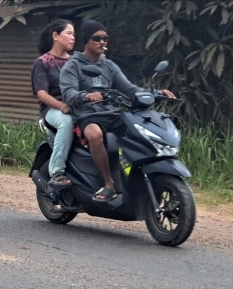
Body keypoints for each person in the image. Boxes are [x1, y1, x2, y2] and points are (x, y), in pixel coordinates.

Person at [61, 20, 176, 202]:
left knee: (140, 130)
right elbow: (68, 93)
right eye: (96, 38)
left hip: (112, 114)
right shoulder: (73, 66)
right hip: (87, 116)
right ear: (86, 40)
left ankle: (140, 177)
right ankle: (109, 184)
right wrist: (86, 96)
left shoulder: (110, 66)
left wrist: (156, 93)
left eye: (105, 38)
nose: (102, 42)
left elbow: (130, 89)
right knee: (95, 134)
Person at [31, 20, 76, 187]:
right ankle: (57, 171)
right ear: (56, 36)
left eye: (74, 35)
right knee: (67, 122)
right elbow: (42, 94)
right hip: (53, 110)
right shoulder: (42, 62)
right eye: (69, 33)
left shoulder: (75, 62)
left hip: (76, 107)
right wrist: (61, 106)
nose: (73, 38)